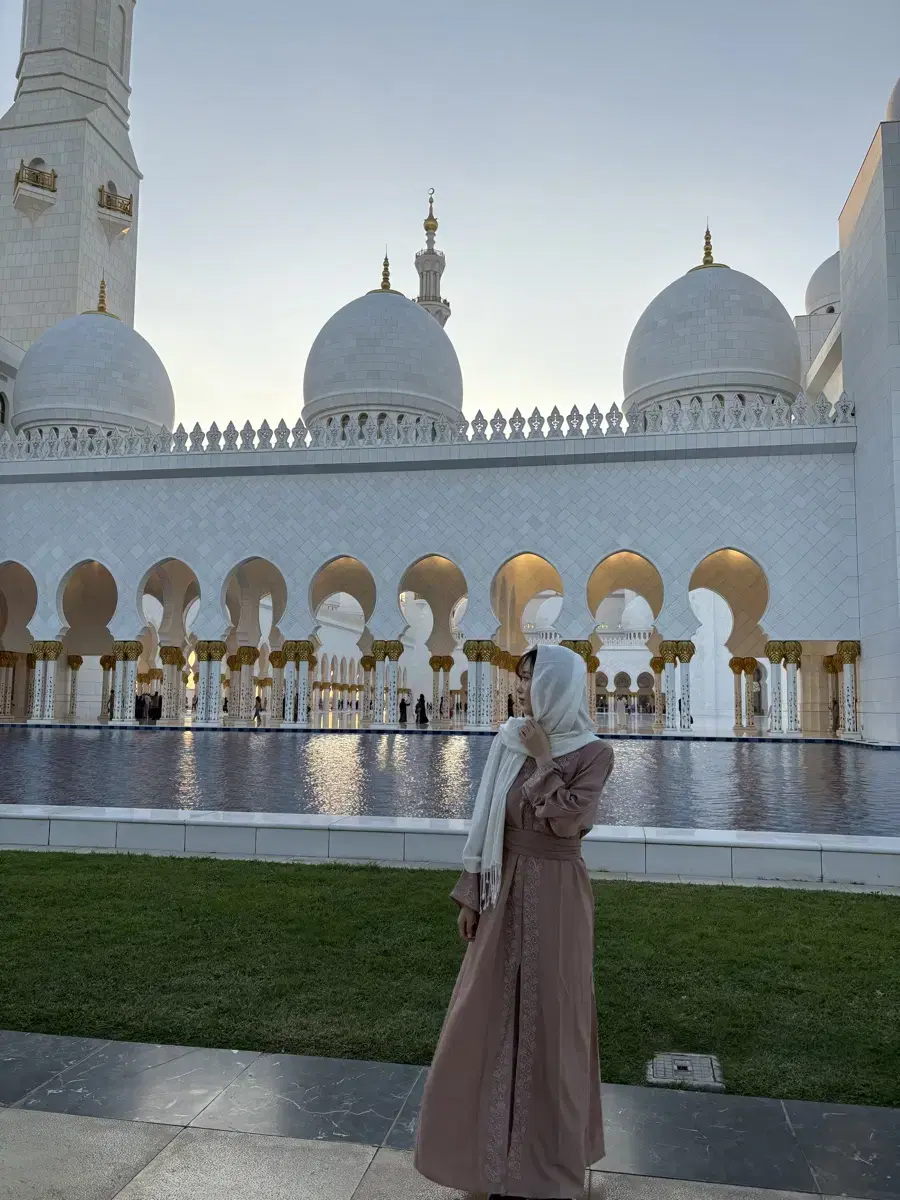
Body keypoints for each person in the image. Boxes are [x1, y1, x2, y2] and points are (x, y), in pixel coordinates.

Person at [415, 643, 614, 1200]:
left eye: (532, 680)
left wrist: (547, 760)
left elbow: (570, 823)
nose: (523, 689)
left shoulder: (595, 753)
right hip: (504, 890)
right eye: (520, 679)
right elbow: (486, 820)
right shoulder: (508, 740)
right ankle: (480, 1161)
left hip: (557, 894)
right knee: (485, 1013)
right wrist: (472, 895)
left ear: (558, 686)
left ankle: (546, 1165)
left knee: (554, 1017)